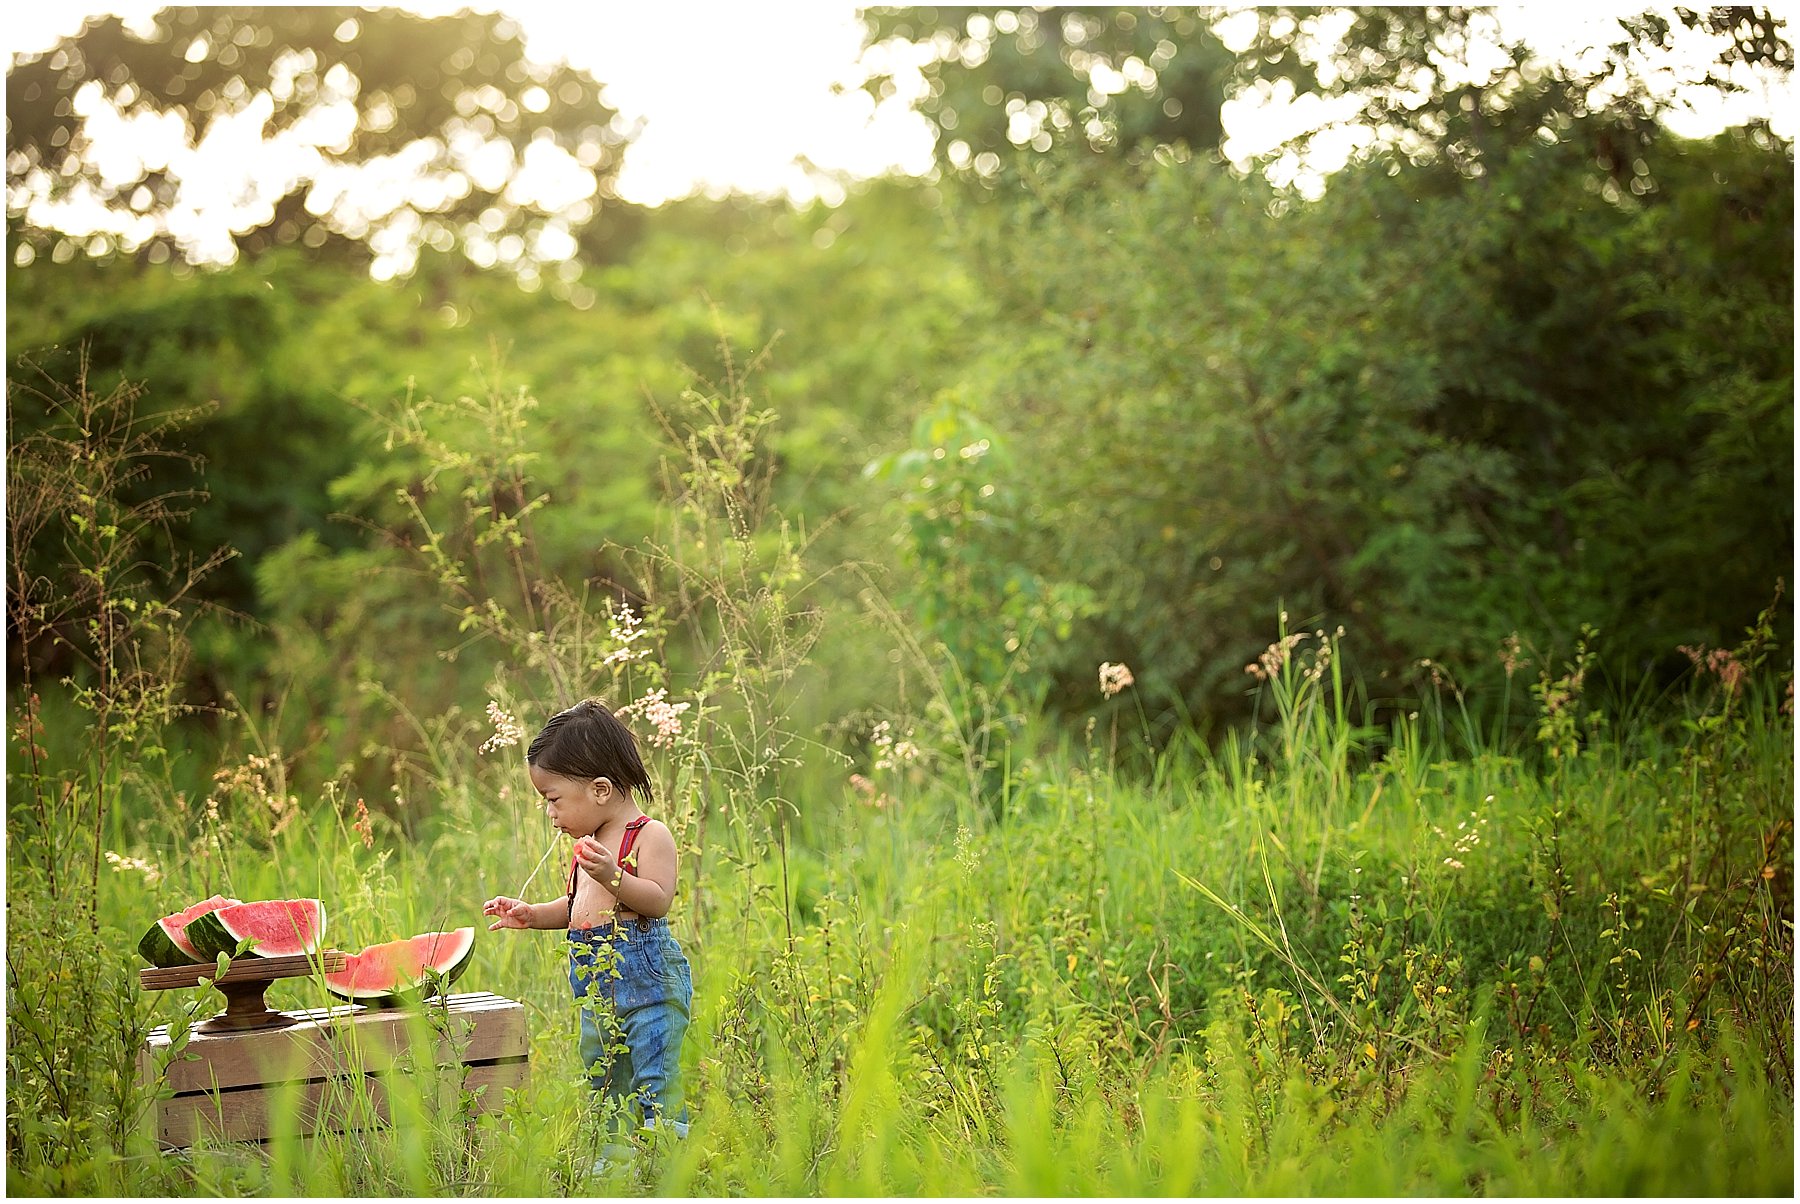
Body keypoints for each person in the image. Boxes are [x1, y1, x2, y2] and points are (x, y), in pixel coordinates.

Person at [482, 698, 693, 1139]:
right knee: (604, 1078)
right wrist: (533, 914)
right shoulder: (591, 845)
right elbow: (579, 907)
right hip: (597, 993)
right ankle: (614, 1156)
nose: (550, 813)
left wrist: (614, 875)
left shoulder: (648, 835)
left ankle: (667, 1150)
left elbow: (657, 900)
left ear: (600, 790)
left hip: (649, 988)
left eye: (553, 799)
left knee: (655, 1073)